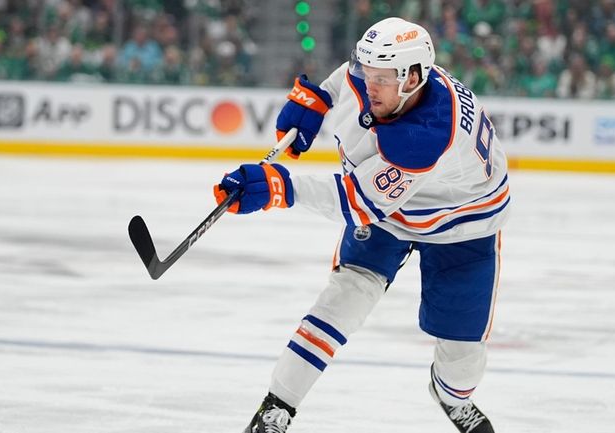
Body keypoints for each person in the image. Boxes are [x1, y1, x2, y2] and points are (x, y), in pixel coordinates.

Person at [213, 17, 510, 433]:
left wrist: (280, 187)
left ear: (413, 79)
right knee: (342, 300)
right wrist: (319, 98)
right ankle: (276, 406)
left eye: (382, 79)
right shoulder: (377, 77)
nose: (370, 87)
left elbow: (359, 202)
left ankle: (451, 395)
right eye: (368, 72)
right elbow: (346, 79)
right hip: (389, 210)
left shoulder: (427, 134)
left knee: (462, 357)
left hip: (463, 223)